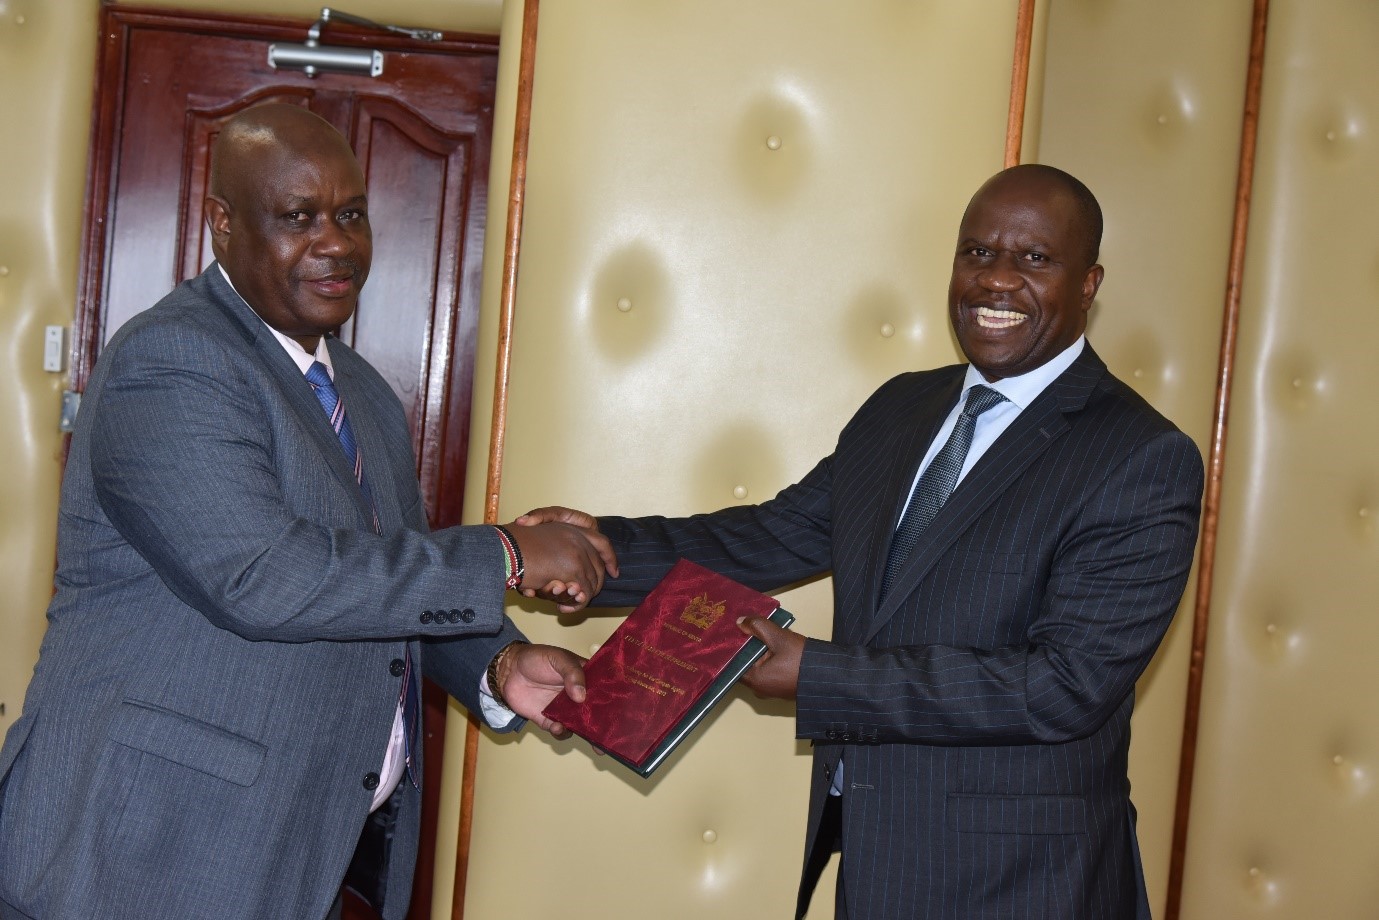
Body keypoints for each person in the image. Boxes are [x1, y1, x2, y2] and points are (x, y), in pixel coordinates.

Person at [522, 164, 1205, 919]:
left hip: (1027, 880)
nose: (995, 282)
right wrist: (593, 549)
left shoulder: (1140, 458)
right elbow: (769, 537)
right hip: (880, 858)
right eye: (975, 253)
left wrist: (821, 677)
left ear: (1088, 283)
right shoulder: (902, 408)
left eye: (1034, 259)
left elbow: (1063, 686)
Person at [0, 104, 616, 920]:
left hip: (301, 847)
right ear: (222, 225)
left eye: (351, 215)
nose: (336, 243)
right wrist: (503, 552)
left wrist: (496, 665)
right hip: (145, 849)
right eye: (298, 218)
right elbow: (266, 576)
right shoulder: (173, 361)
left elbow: (379, 579)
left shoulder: (361, 390)